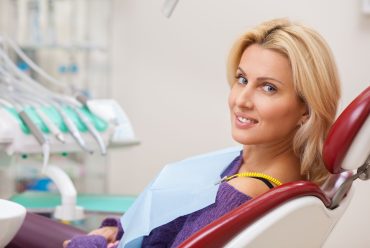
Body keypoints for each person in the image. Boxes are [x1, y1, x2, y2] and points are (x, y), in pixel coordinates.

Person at [64, 18, 341, 248]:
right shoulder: (253, 166)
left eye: (268, 87)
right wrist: (118, 231)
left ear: (306, 107)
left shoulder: (241, 194)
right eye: (242, 79)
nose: (241, 100)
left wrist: (90, 244)